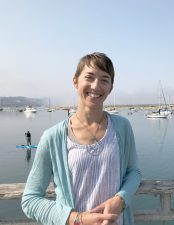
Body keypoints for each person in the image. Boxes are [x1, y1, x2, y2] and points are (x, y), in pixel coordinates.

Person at [22, 52, 142, 225]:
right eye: (89, 77)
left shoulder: (122, 127)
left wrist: (121, 200)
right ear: (75, 81)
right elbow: (30, 200)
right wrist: (77, 219)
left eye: (104, 80)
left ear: (110, 88)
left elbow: (134, 172)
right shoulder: (52, 137)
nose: (96, 86)